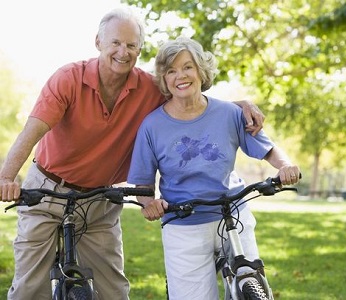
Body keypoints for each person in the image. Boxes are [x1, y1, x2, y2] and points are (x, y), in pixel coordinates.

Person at [0, 7, 265, 300]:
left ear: (139, 49)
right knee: (29, 287)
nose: (123, 52)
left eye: (131, 45)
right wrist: (7, 177)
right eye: (115, 43)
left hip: (100, 199)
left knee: (113, 289)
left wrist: (235, 105)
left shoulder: (149, 88)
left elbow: (189, 94)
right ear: (98, 42)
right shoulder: (68, 79)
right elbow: (31, 132)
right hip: (47, 190)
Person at [127, 36, 301, 300]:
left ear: (201, 71)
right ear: (164, 80)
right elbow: (142, 183)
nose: (180, 76)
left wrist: (286, 166)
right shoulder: (152, 126)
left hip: (233, 213)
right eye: (171, 71)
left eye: (187, 67)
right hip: (183, 222)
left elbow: (268, 149)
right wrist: (148, 203)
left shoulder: (230, 113)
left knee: (252, 285)